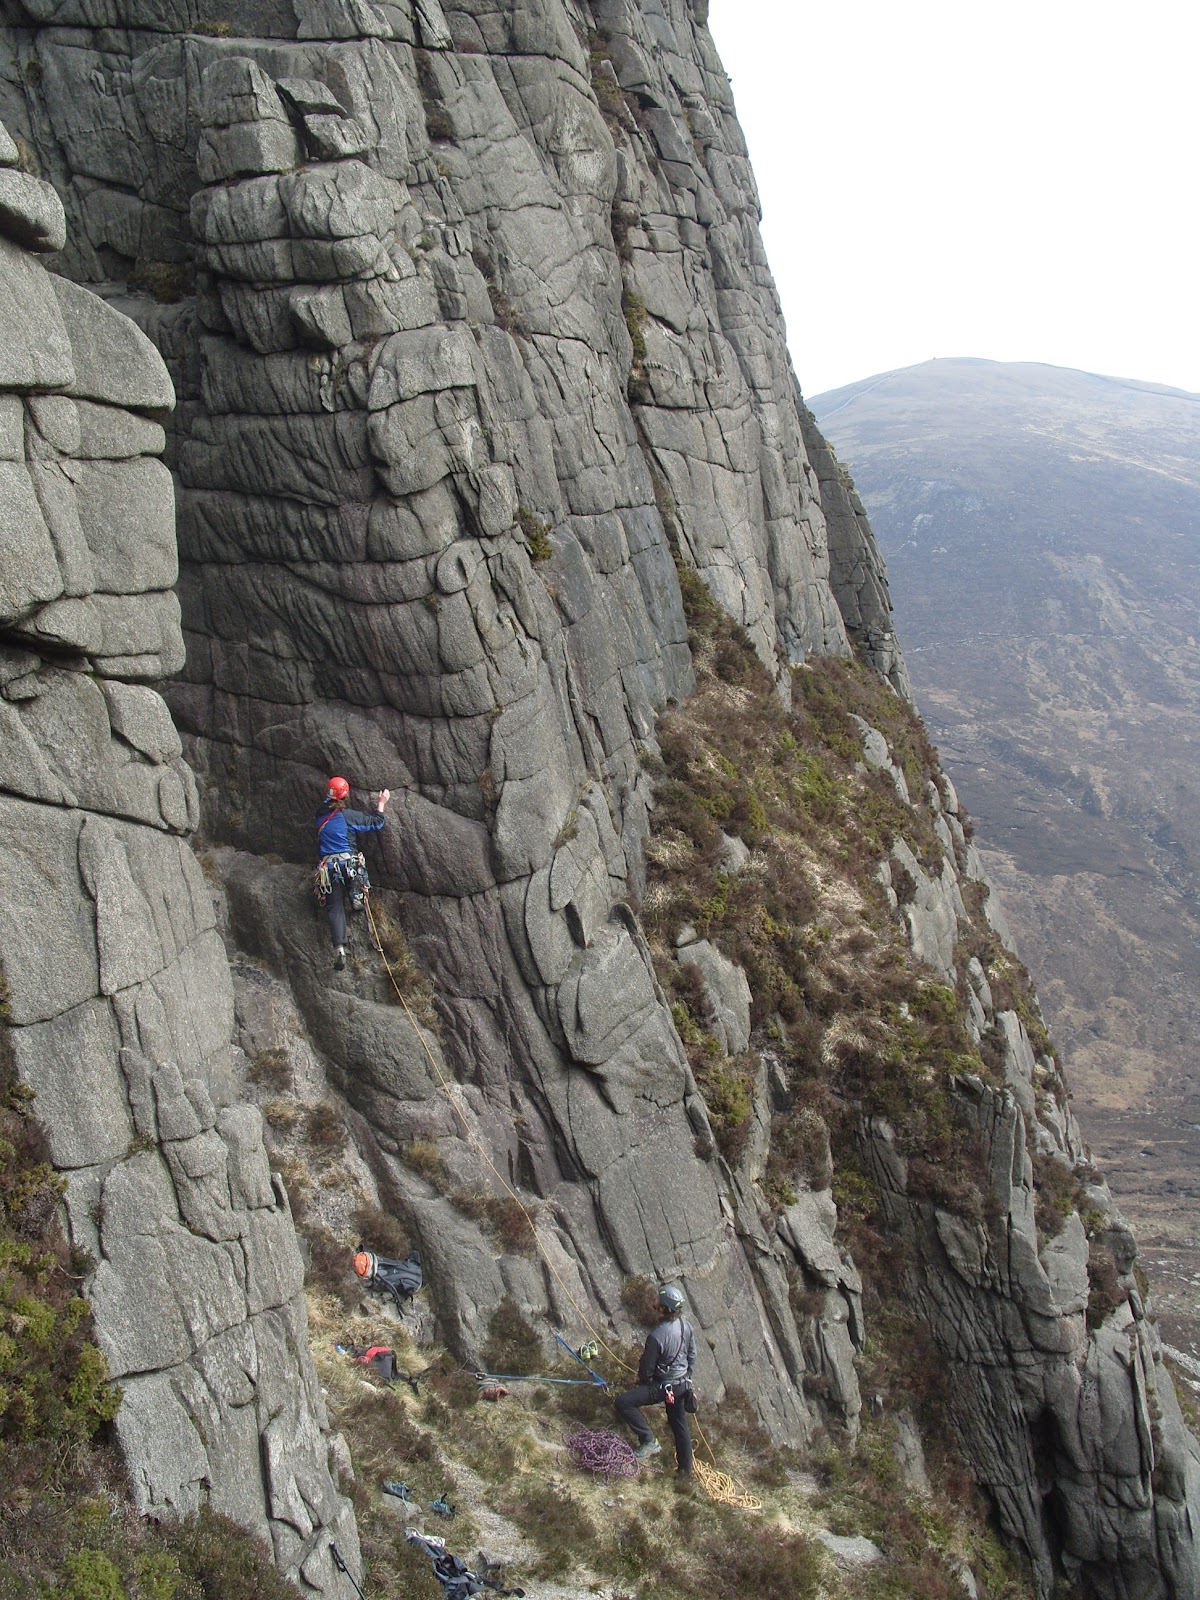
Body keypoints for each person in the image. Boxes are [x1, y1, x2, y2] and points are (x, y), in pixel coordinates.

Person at [614, 1284, 696, 1475]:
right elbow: (692, 1355)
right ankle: (685, 1472)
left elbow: (646, 1369)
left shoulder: (657, 1336)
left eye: (657, 1302)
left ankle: (648, 1440)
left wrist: (646, 1383)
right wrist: (687, 1376)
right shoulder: (686, 1325)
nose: (654, 1304)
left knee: (624, 1402)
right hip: (682, 1385)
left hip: (663, 1387)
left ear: (663, 1308)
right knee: (679, 1425)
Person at [314, 776, 390, 969]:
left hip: (329, 870)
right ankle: (356, 898)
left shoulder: (320, 815)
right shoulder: (347, 816)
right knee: (356, 869)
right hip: (349, 866)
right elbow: (376, 822)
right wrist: (381, 803)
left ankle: (339, 949)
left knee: (334, 907)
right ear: (345, 795)